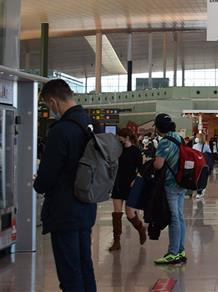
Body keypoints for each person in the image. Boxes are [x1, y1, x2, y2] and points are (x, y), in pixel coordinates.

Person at [34, 79, 97, 292]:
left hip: (64, 210)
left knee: (69, 271)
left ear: (53, 101)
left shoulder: (61, 130)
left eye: (48, 105)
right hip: (86, 205)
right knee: (84, 265)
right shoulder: (89, 124)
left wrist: (38, 184)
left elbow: (47, 177)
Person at [153, 114, 187, 266]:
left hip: (170, 183)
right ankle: (180, 250)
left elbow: (158, 165)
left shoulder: (164, 142)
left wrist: (153, 162)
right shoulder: (178, 137)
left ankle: (173, 253)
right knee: (179, 216)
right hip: (182, 181)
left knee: (174, 217)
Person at [109, 128, 145, 251]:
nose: (118, 138)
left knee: (130, 214)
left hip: (130, 185)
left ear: (126, 137)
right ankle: (116, 241)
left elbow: (141, 169)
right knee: (117, 214)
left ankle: (141, 229)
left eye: (120, 136)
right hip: (118, 184)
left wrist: (135, 180)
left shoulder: (136, 152)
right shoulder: (117, 150)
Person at [193, 133, 212, 200]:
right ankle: (201, 190)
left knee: (198, 178)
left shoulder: (194, 146)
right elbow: (210, 154)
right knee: (203, 178)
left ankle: (199, 192)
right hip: (204, 165)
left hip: (197, 165)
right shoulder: (206, 146)